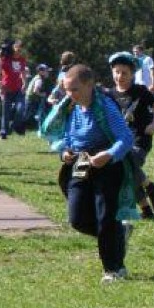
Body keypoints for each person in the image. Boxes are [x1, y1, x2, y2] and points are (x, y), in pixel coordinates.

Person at [52, 64, 135, 284]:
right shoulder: (71, 108)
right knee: (77, 219)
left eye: (75, 89)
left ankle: (113, 269)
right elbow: (67, 138)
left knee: (105, 217)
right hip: (80, 165)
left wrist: (108, 154)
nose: (70, 95)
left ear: (89, 85)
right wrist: (65, 152)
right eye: (67, 90)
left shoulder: (106, 106)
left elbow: (126, 138)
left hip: (107, 166)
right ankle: (119, 235)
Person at [107, 52, 154, 220]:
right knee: (127, 173)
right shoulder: (109, 95)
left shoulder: (139, 91)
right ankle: (147, 206)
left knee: (127, 165)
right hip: (119, 142)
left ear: (132, 74)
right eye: (117, 72)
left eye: (124, 73)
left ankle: (150, 187)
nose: (120, 76)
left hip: (139, 140)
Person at [0, 39, 28, 138]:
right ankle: (3, 132)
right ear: (13, 49)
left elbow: (23, 73)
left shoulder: (22, 60)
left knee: (20, 108)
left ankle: (14, 126)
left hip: (18, 88)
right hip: (6, 88)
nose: (19, 51)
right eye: (17, 49)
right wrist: (0, 86)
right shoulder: (6, 59)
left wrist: (25, 83)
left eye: (20, 49)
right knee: (6, 112)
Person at [25, 63, 52, 130]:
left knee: (29, 114)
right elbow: (35, 91)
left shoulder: (37, 77)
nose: (48, 73)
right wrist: (43, 94)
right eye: (46, 71)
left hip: (30, 98)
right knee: (27, 114)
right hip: (31, 99)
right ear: (41, 72)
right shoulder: (39, 80)